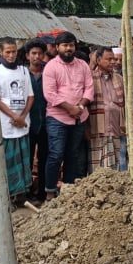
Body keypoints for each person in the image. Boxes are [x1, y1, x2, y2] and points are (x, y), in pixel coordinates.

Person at [42, 32, 93, 201]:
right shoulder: (51, 67)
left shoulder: (83, 66)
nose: (68, 48)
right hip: (57, 118)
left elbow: (89, 88)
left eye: (71, 45)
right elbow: (50, 94)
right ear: (57, 48)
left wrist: (79, 107)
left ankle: (68, 191)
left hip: (79, 117)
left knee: (73, 154)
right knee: (56, 154)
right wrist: (69, 108)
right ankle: (50, 191)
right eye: (64, 45)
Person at [0, 38, 34, 205]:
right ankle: (9, 196)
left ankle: (21, 195)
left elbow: (30, 96)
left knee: (24, 160)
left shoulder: (24, 71)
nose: (11, 55)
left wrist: (23, 116)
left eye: (14, 51)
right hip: (7, 124)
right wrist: (14, 116)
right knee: (10, 161)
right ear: (1, 53)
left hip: (23, 123)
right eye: (7, 52)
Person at [88, 47, 124, 171]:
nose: (113, 62)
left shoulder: (119, 79)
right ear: (98, 60)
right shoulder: (90, 78)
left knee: (116, 167)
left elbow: (124, 102)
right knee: (98, 168)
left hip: (115, 128)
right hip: (97, 128)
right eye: (109, 59)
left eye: (114, 59)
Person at [25, 39, 49, 203]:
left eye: (40, 53)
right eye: (33, 53)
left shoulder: (49, 73)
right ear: (27, 56)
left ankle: (42, 192)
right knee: (26, 159)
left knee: (44, 158)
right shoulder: (22, 74)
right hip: (26, 123)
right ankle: (26, 193)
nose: (37, 56)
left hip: (47, 123)